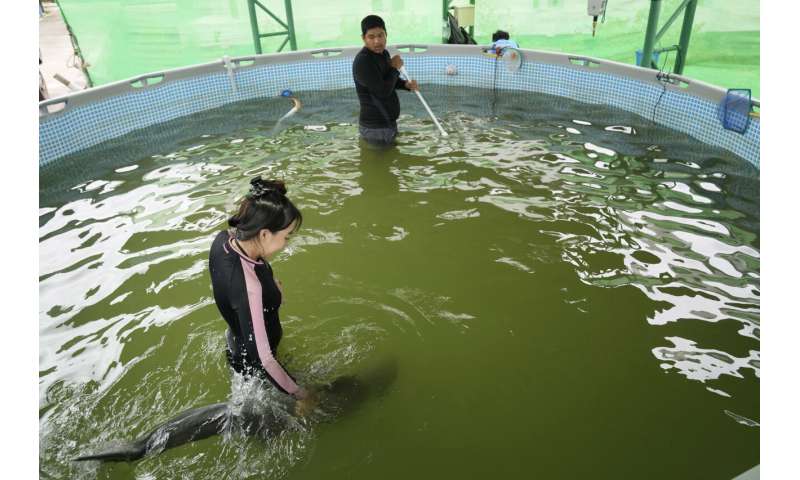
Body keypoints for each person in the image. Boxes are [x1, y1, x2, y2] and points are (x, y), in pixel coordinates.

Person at [209, 177, 312, 407]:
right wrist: (301, 395)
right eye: (286, 237)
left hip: (237, 342)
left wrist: (271, 283)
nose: (287, 243)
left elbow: (242, 274)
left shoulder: (224, 240)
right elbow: (264, 360)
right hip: (256, 375)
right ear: (264, 235)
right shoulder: (250, 288)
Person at [352, 14, 419, 146]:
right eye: (371, 37)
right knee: (379, 164)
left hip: (388, 124)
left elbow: (389, 81)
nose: (377, 41)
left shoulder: (384, 54)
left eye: (380, 35)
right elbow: (382, 91)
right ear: (363, 38)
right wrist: (395, 68)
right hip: (375, 129)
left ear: (386, 35)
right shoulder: (363, 61)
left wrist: (406, 84)